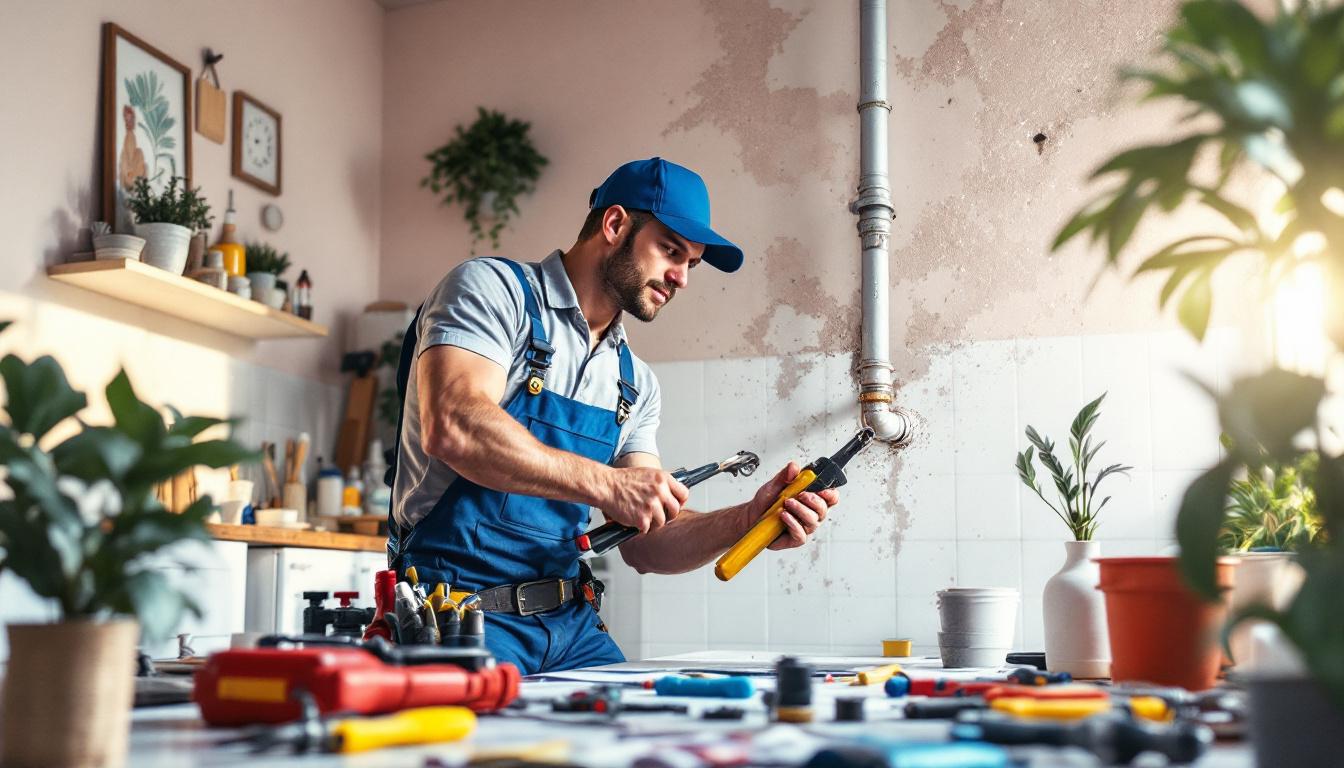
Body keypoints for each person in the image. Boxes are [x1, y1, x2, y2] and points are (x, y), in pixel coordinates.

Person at [387, 157, 840, 674]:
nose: (682, 278)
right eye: (671, 251)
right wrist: (608, 485)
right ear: (615, 224)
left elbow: (644, 544)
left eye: (691, 262)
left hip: (571, 626)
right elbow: (457, 426)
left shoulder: (635, 382)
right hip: (457, 618)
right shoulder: (493, 290)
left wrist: (745, 521)